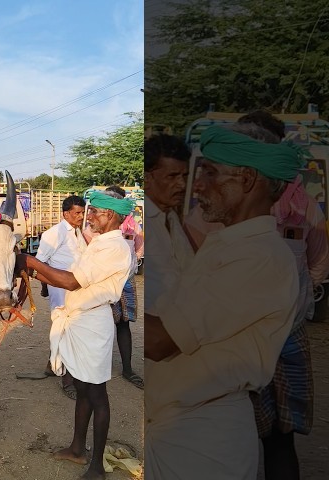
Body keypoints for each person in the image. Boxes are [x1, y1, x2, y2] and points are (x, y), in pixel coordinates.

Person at [144, 124, 303, 479]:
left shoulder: (258, 257)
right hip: (177, 425)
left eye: (209, 173)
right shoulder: (228, 245)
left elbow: (158, 340)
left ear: (246, 180)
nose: (196, 185)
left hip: (202, 435)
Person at [236, 111, 329, 480]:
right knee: (242, 433)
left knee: (279, 439)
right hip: (240, 338)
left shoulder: (303, 204)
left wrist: (298, 303)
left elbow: (319, 260)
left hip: (281, 338)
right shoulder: (227, 202)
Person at [15, 190, 134, 480]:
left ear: (113, 216)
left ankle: (96, 467)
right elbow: (67, 279)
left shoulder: (114, 247)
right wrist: (30, 272)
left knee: (97, 395)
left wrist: (28, 262)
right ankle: (78, 449)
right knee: (83, 390)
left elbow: (70, 281)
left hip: (92, 324)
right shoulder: (99, 242)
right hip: (79, 321)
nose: (89, 216)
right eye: (89, 211)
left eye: (96, 212)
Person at [35, 195, 87, 399]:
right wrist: (47, 285)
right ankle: (67, 381)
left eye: (82, 213)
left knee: (66, 328)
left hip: (75, 288)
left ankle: (52, 364)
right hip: (61, 289)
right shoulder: (54, 233)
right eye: (77, 213)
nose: (81, 217)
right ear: (66, 213)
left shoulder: (77, 232)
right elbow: (39, 262)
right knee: (65, 330)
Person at [106, 185, 144, 389]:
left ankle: (127, 369)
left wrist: (132, 264)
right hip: (105, 280)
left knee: (123, 323)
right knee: (102, 323)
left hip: (125, 280)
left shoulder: (132, 225)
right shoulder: (100, 226)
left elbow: (139, 245)